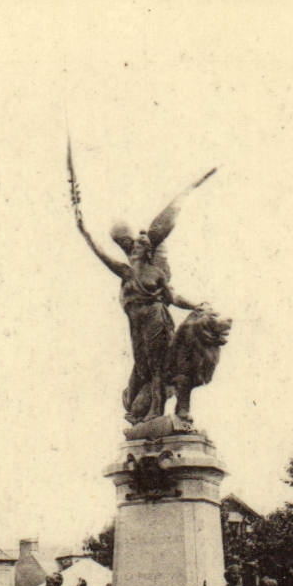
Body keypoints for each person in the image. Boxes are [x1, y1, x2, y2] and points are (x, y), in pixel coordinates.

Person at [70, 155, 217, 425]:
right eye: (135, 242)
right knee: (143, 367)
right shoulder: (125, 271)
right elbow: (99, 252)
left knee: (156, 365)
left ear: (147, 250)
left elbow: (172, 297)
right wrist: (83, 229)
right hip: (136, 323)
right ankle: (148, 409)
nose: (137, 244)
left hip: (155, 319)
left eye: (142, 242)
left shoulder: (155, 273)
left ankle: (155, 411)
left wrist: (194, 305)